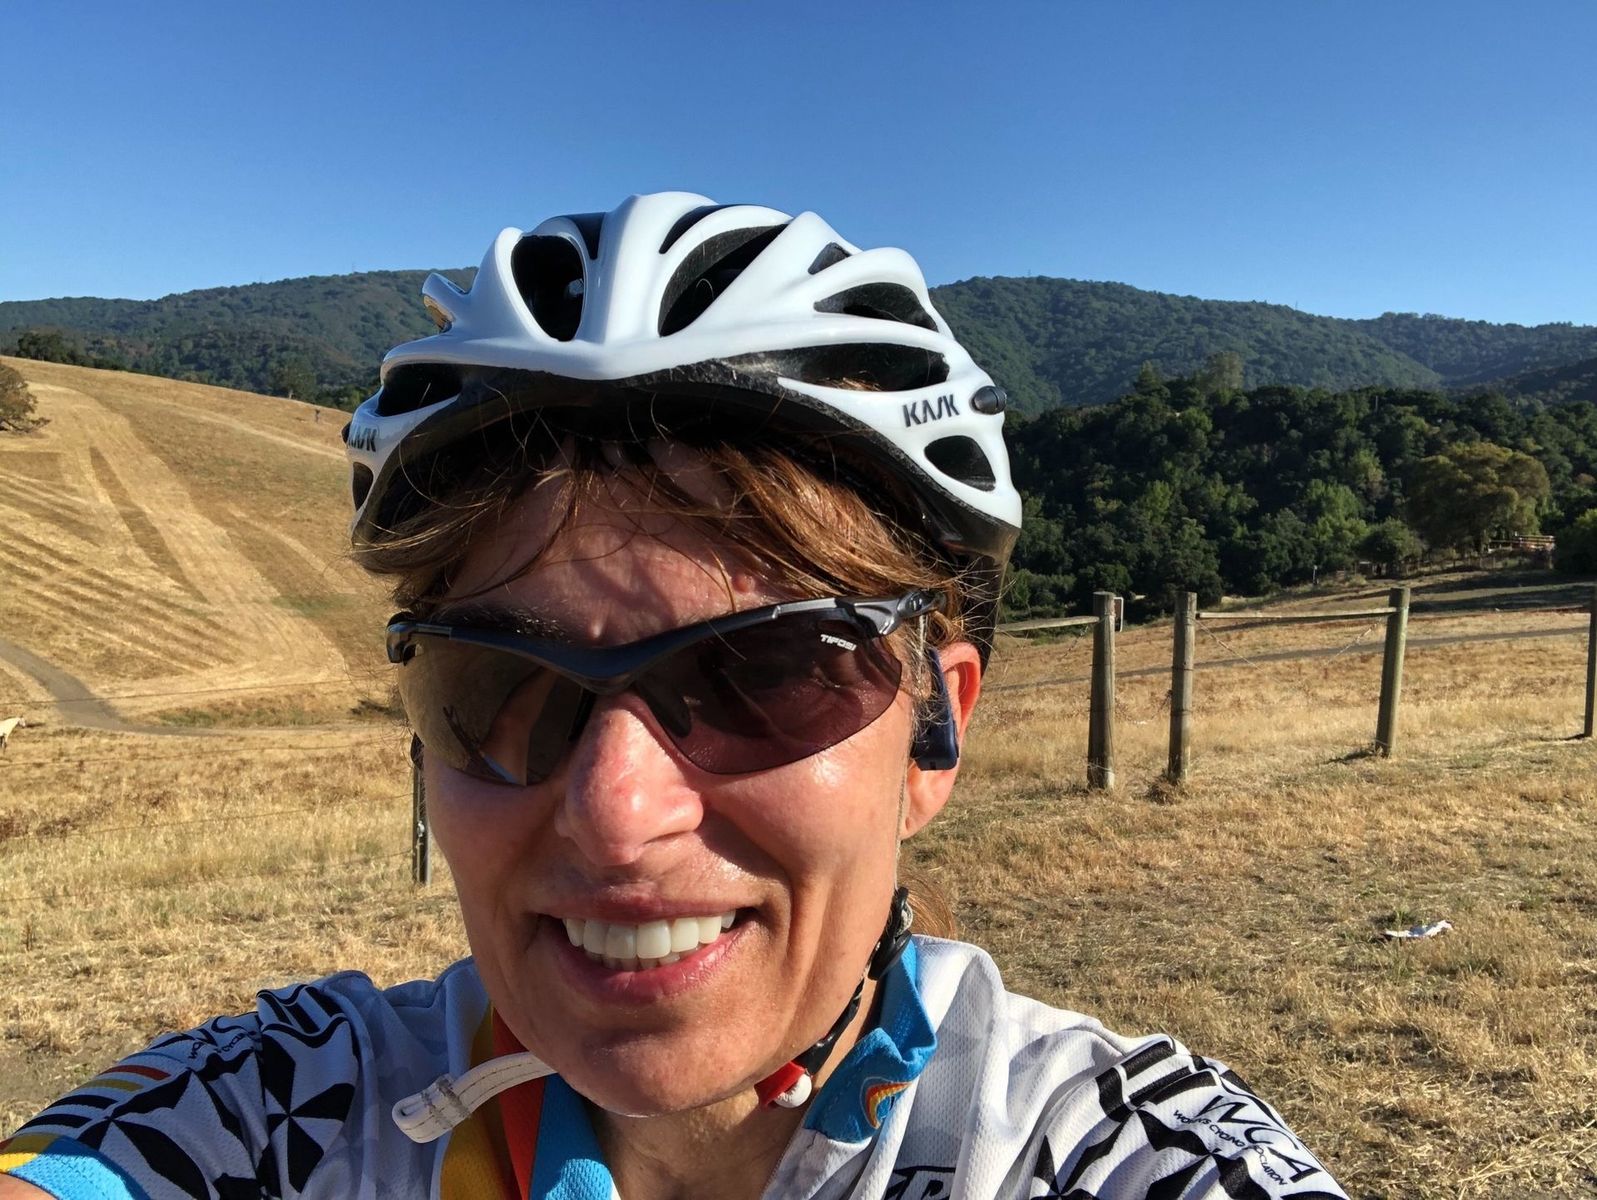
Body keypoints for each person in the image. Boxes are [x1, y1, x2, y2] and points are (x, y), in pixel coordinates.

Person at [0, 193, 1345, 1199]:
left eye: (763, 673)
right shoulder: (292, 1116)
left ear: (934, 731)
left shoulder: (1106, 1155)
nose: (612, 810)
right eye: (498, 681)